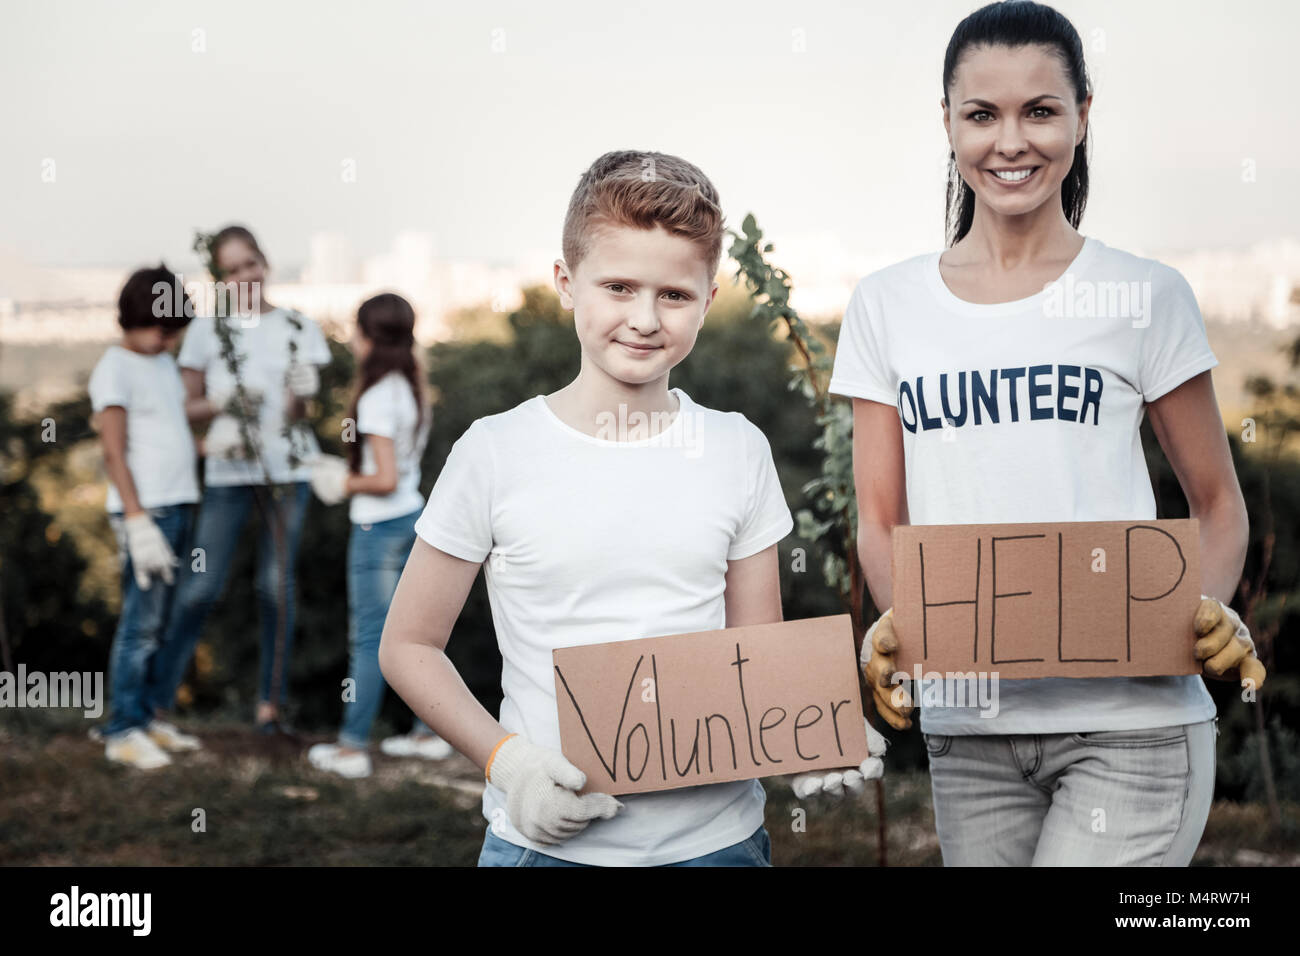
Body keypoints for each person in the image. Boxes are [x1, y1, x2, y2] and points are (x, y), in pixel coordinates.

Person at [824, 1, 1265, 865]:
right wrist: (902, 625)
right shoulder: (886, 305)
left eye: (1041, 110)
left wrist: (1205, 610)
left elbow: (1217, 505)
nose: (1011, 141)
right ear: (947, 124)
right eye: (982, 114)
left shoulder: (1145, 295)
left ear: (1083, 115)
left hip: (1132, 728)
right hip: (968, 730)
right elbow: (880, 520)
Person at [378, 150, 798, 866]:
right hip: (544, 846)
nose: (643, 318)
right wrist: (508, 764)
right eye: (618, 286)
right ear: (566, 285)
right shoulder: (494, 452)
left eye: (674, 295)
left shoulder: (738, 449)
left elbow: (756, 658)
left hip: (717, 845)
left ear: (708, 299)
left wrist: (827, 731)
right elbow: (408, 647)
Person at [150, 225, 332, 734]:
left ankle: (270, 710)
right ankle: (156, 703)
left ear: (265, 262)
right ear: (219, 278)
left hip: (286, 472)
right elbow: (184, 408)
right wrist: (223, 405)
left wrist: (301, 393)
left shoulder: (299, 327)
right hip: (229, 472)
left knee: (276, 588)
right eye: (230, 271)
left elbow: (299, 414)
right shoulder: (209, 332)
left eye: (248, 263)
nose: (243, 276)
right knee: (199, 589)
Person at [304, 292, 451, 778]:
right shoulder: (411, 386)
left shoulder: (374, 396)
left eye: (356, 331)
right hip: (414, 517)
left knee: (371, 639)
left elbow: (382, 478)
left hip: (377, 526)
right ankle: (428, 734)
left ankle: (351, 748)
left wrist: (339, 481)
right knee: (418, 636)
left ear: (368, 337)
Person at [89, 263, 202, 768]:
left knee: (163, 621)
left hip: (178, 502)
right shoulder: (114, 367)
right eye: (161, 328)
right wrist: (136, 520)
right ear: (136, 317)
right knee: (140, 624)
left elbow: (168, 435)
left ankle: (148, 719)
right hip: (146, 511)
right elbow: (114, 450)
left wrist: (209, 442)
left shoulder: (161, 365)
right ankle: (121, 730)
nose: (166, 339)